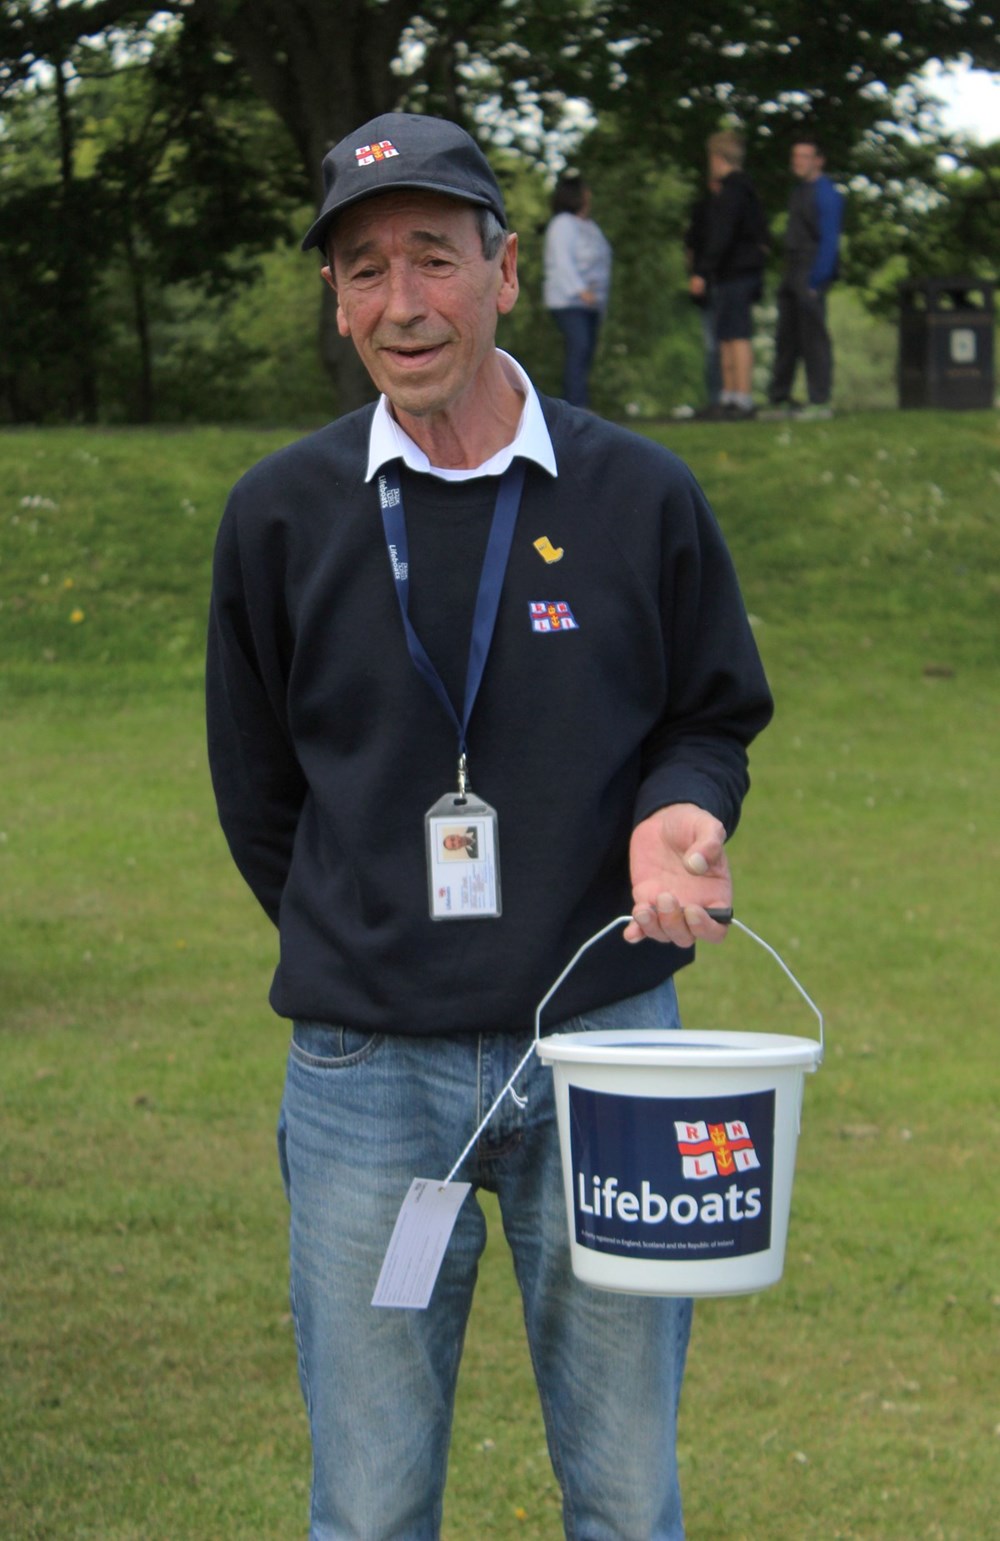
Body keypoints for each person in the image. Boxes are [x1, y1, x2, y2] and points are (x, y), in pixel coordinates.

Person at [206, 110, 773, 1541]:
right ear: (337, 305)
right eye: (364, 270)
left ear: (508, 271)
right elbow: (260, 794)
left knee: (628, 1491)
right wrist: (380, 948)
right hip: (363, 1077)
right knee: (373, 1501)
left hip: (607, 1054)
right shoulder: (278, 518)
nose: (404, 302)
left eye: (435, 259)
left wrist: (677, 817)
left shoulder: (641, 495)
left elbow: (710, 714)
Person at [688, 131, 769, 420]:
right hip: (732, 273)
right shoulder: (745, 191)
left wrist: (702, 270)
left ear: (719, 158)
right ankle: (729, 396)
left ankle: (742, 398)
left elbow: (722, 234)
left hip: (736, 272)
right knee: (726, 336)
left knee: (736, 336)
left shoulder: (734, 191)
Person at [768, 135, 845, 419]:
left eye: (804, 156)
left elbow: (829, 241)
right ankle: (779, 397)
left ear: (818, 161)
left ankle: (820, 400)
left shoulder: (827, 194)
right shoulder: (798, 191)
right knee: (786, 336)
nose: (798, 162)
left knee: (813, 338)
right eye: (795, 156)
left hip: (810, 270)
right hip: (791, 269)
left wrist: (817, 280)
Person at [542, 171, 613, 408]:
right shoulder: (562, 224)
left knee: (586, 353)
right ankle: (575, 406)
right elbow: (563, 262)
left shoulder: (590, 227)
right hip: (569, 302)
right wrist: (580, 290)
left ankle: (581, 403)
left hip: (592, 303)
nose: (589, 195)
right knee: (579, 347)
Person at [682, 175, 723, 412]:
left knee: (718, 344)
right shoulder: (704, 211)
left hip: (720, 283)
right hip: (711, 286)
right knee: (713, 346)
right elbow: (691, 245)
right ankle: (717, 398)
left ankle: (723, 398)